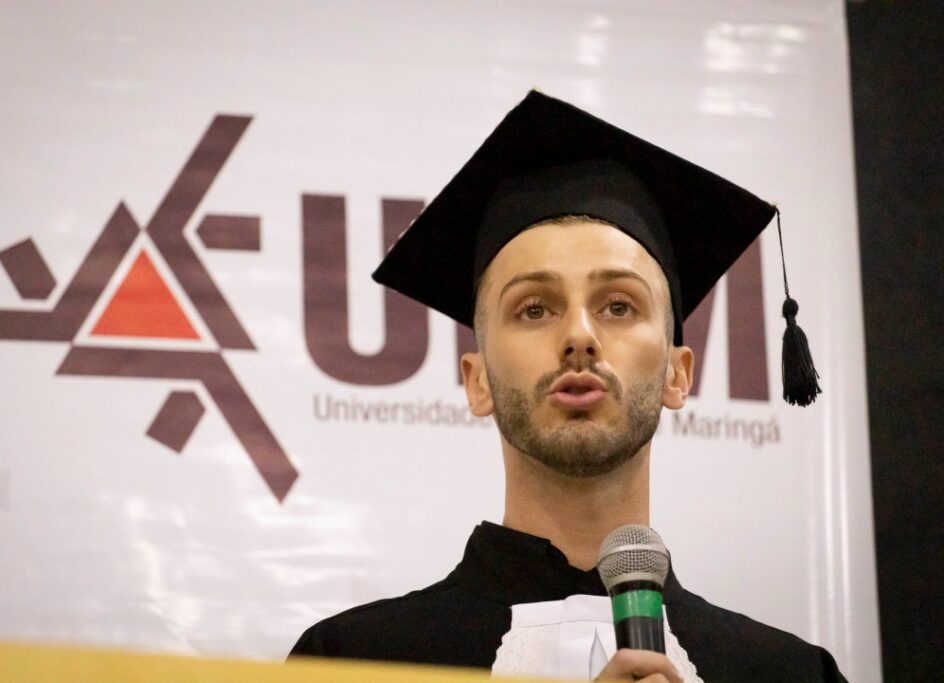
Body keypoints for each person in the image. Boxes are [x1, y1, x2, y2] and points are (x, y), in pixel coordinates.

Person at [289, 91, 840, 682]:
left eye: (619, 306)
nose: (580, 335)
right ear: (477, 381)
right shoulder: (353, 661)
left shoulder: (789, 674)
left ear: (678, 374)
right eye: (534, 309)